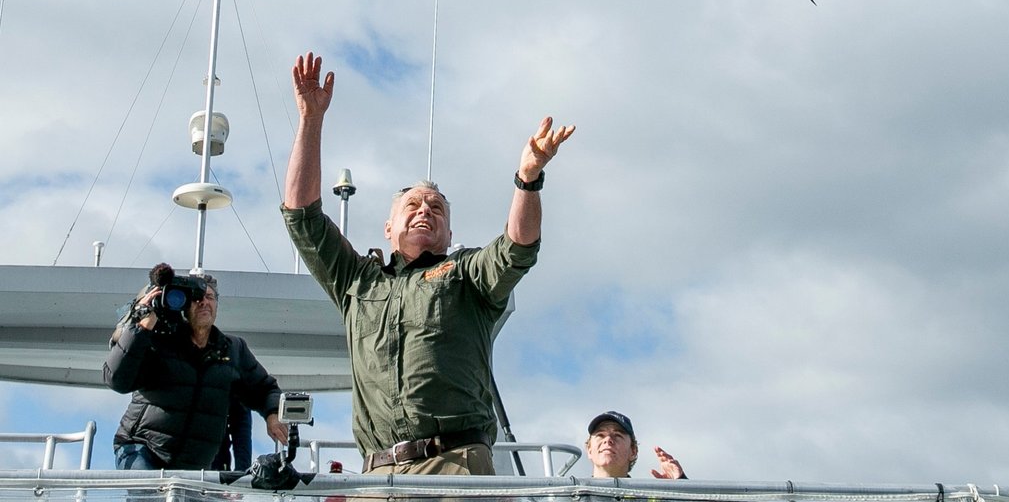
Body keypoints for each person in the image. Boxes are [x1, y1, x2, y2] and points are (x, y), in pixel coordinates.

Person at [282, 50, 575, 476]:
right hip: (377, 475)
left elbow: (518, 247)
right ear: (388, 227)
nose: (425, 210)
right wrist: (311, 118)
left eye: (437, 207)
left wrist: (527, 179)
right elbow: (301, 217)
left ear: (450, 235)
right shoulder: (357, 282)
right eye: (413, 204)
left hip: (453, 465)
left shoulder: (466, 274)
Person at [104, 273, 288, 470]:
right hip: (142, 447)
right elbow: (117, 379)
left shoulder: (233, 349)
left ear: (217, 304)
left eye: (209, 297)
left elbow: (264, 389)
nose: (203, 303)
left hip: (194, 462)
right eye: (196, 298)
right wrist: (140, 328)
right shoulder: (159, 340)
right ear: (183, 304)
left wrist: (272, 413)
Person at [585, 411, 687, 480]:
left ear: (633, 451)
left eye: (617, 435)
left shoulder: (646, 497)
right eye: (600, 435)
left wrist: (679, 489)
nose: (608, 440)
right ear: (589, 450)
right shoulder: (572, 496)